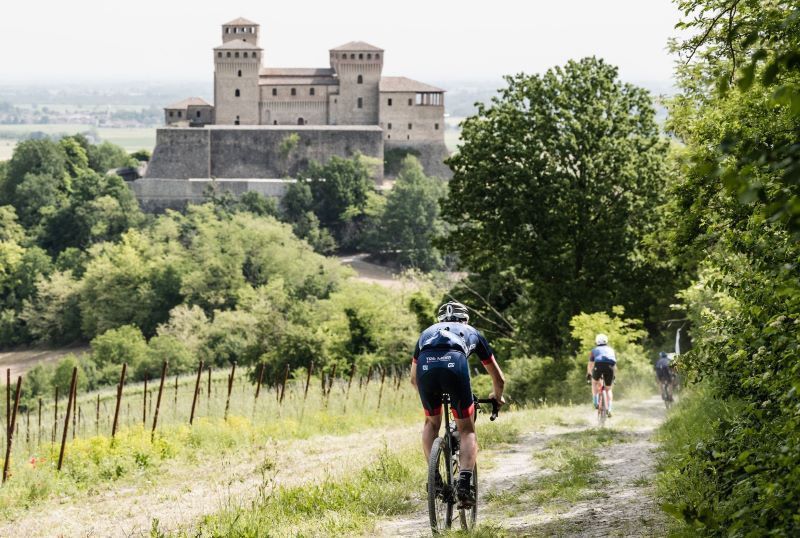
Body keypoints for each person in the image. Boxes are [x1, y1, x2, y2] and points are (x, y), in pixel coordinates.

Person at [410, 301, 506, 509]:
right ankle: (463, 485)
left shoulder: (426, 333)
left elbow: (412, 379)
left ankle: (434, 479)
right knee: (466, 430)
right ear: (465, 319)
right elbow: (499, 378)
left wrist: (430, 397)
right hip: (455, 365)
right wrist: (497, 397)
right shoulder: (471, 332)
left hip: (425, 371)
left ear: (440, 320)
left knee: (431, 424)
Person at [587, 333, 617, 417]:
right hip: (610, 367)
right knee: (608, 389)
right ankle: (609, 408)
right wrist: (614, 376)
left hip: (598, 366)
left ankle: (595, 402)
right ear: (606, 341)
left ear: (596, 341)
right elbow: (615, 365)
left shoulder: (594, 350)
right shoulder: (611, 350)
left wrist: (589, 374)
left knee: (594, 382)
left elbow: (590, 364)